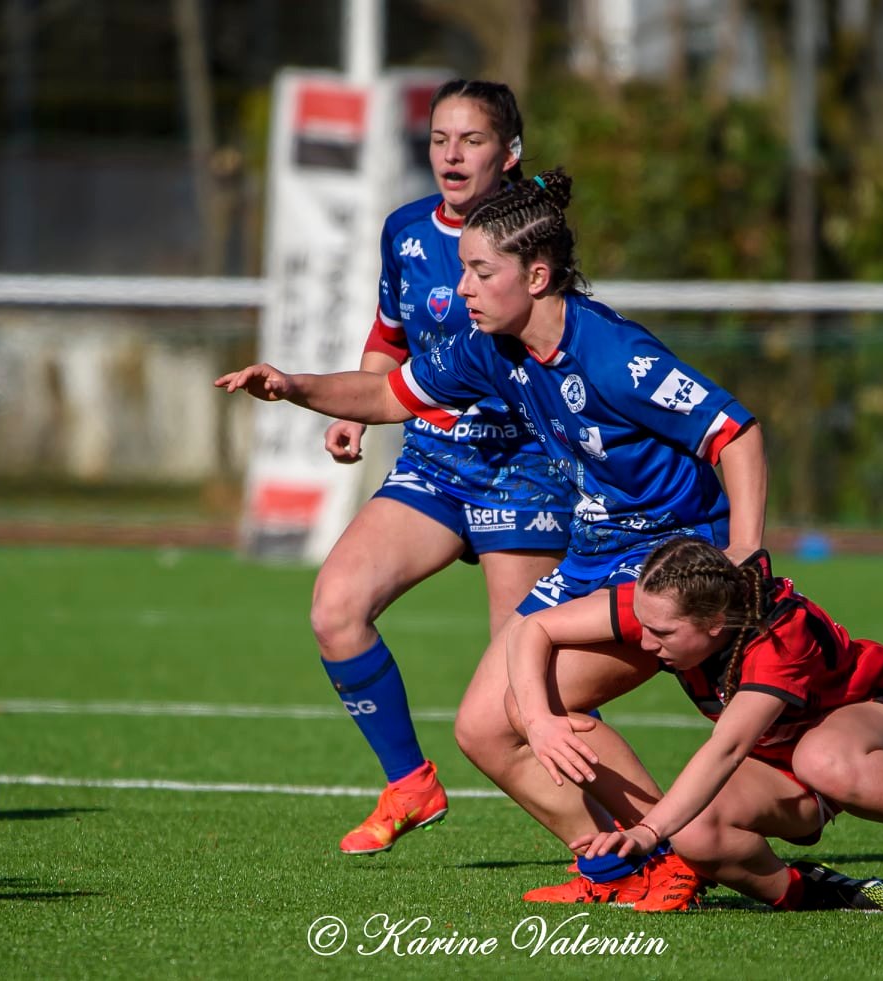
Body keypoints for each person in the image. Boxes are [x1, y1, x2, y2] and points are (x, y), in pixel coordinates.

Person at [218, 168, 766, 910]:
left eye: (480, 270)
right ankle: (611, 864)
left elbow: (734, 432)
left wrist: (742, 552)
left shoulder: (610, 355)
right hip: (594, 551)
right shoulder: (491, 347)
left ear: (536, 275)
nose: (463, 286)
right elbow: (388, 393)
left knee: (533, 703)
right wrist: (293, 386)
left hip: (665, 561)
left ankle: (665, 857)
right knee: (482, 726)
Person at [305, 80, 575, 856]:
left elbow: (559, 344)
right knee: (335, 607)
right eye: (438, 140)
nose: (451, 155)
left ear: (509, 154)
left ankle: (616, 845)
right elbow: (389, 333)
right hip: (434, 458)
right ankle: (407, 782)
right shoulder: (405, 230)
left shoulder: (533, 232)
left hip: (521, 466)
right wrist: (356, 406)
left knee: (521, 691)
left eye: (472, 140)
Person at [509, 535, 883, 920]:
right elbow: (534, 627)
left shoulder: (779, 641)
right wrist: (539, 720)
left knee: (821, 758)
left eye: (661, 632)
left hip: (879, 718)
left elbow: (728, 747)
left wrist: (646, 831)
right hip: (785, 753)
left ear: (714, 625)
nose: (644, 643)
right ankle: (815, 893)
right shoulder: (666, 606)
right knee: (693, 831)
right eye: (642, 624)